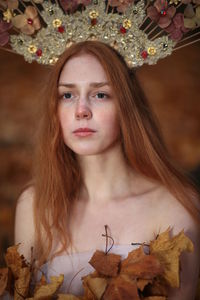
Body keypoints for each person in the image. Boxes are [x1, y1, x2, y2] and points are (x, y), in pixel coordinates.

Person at [14, 40, 200, 299]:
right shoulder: (35, 205)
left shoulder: (174, 207)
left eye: (100, 94)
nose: (81, 111)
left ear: (126, 105)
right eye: (67, 95)